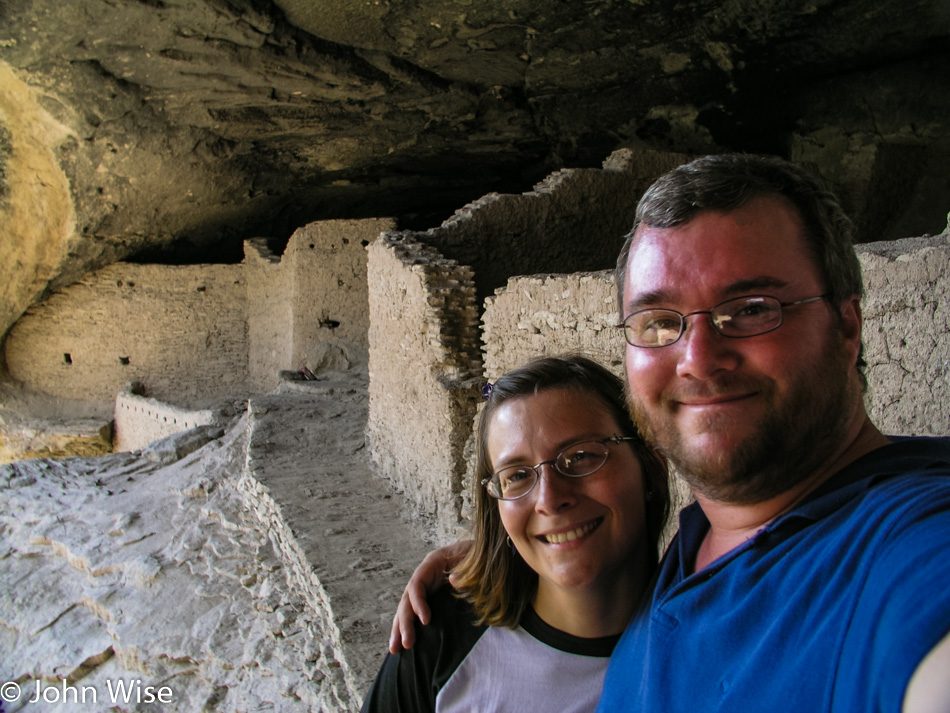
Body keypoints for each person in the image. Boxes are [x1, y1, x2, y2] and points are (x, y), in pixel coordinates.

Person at [389, 154, 950, 712]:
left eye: (752, 309)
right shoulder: (690, 553)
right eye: (659, 322)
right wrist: (502, 549)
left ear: (846, 326)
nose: (698, 360)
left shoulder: (903, 547)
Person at [362, 355, 670, 713]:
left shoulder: (704, 649)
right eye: (518, 476)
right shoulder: (441, 637)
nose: (550, 500)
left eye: (582, 456)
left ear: (650, 466)